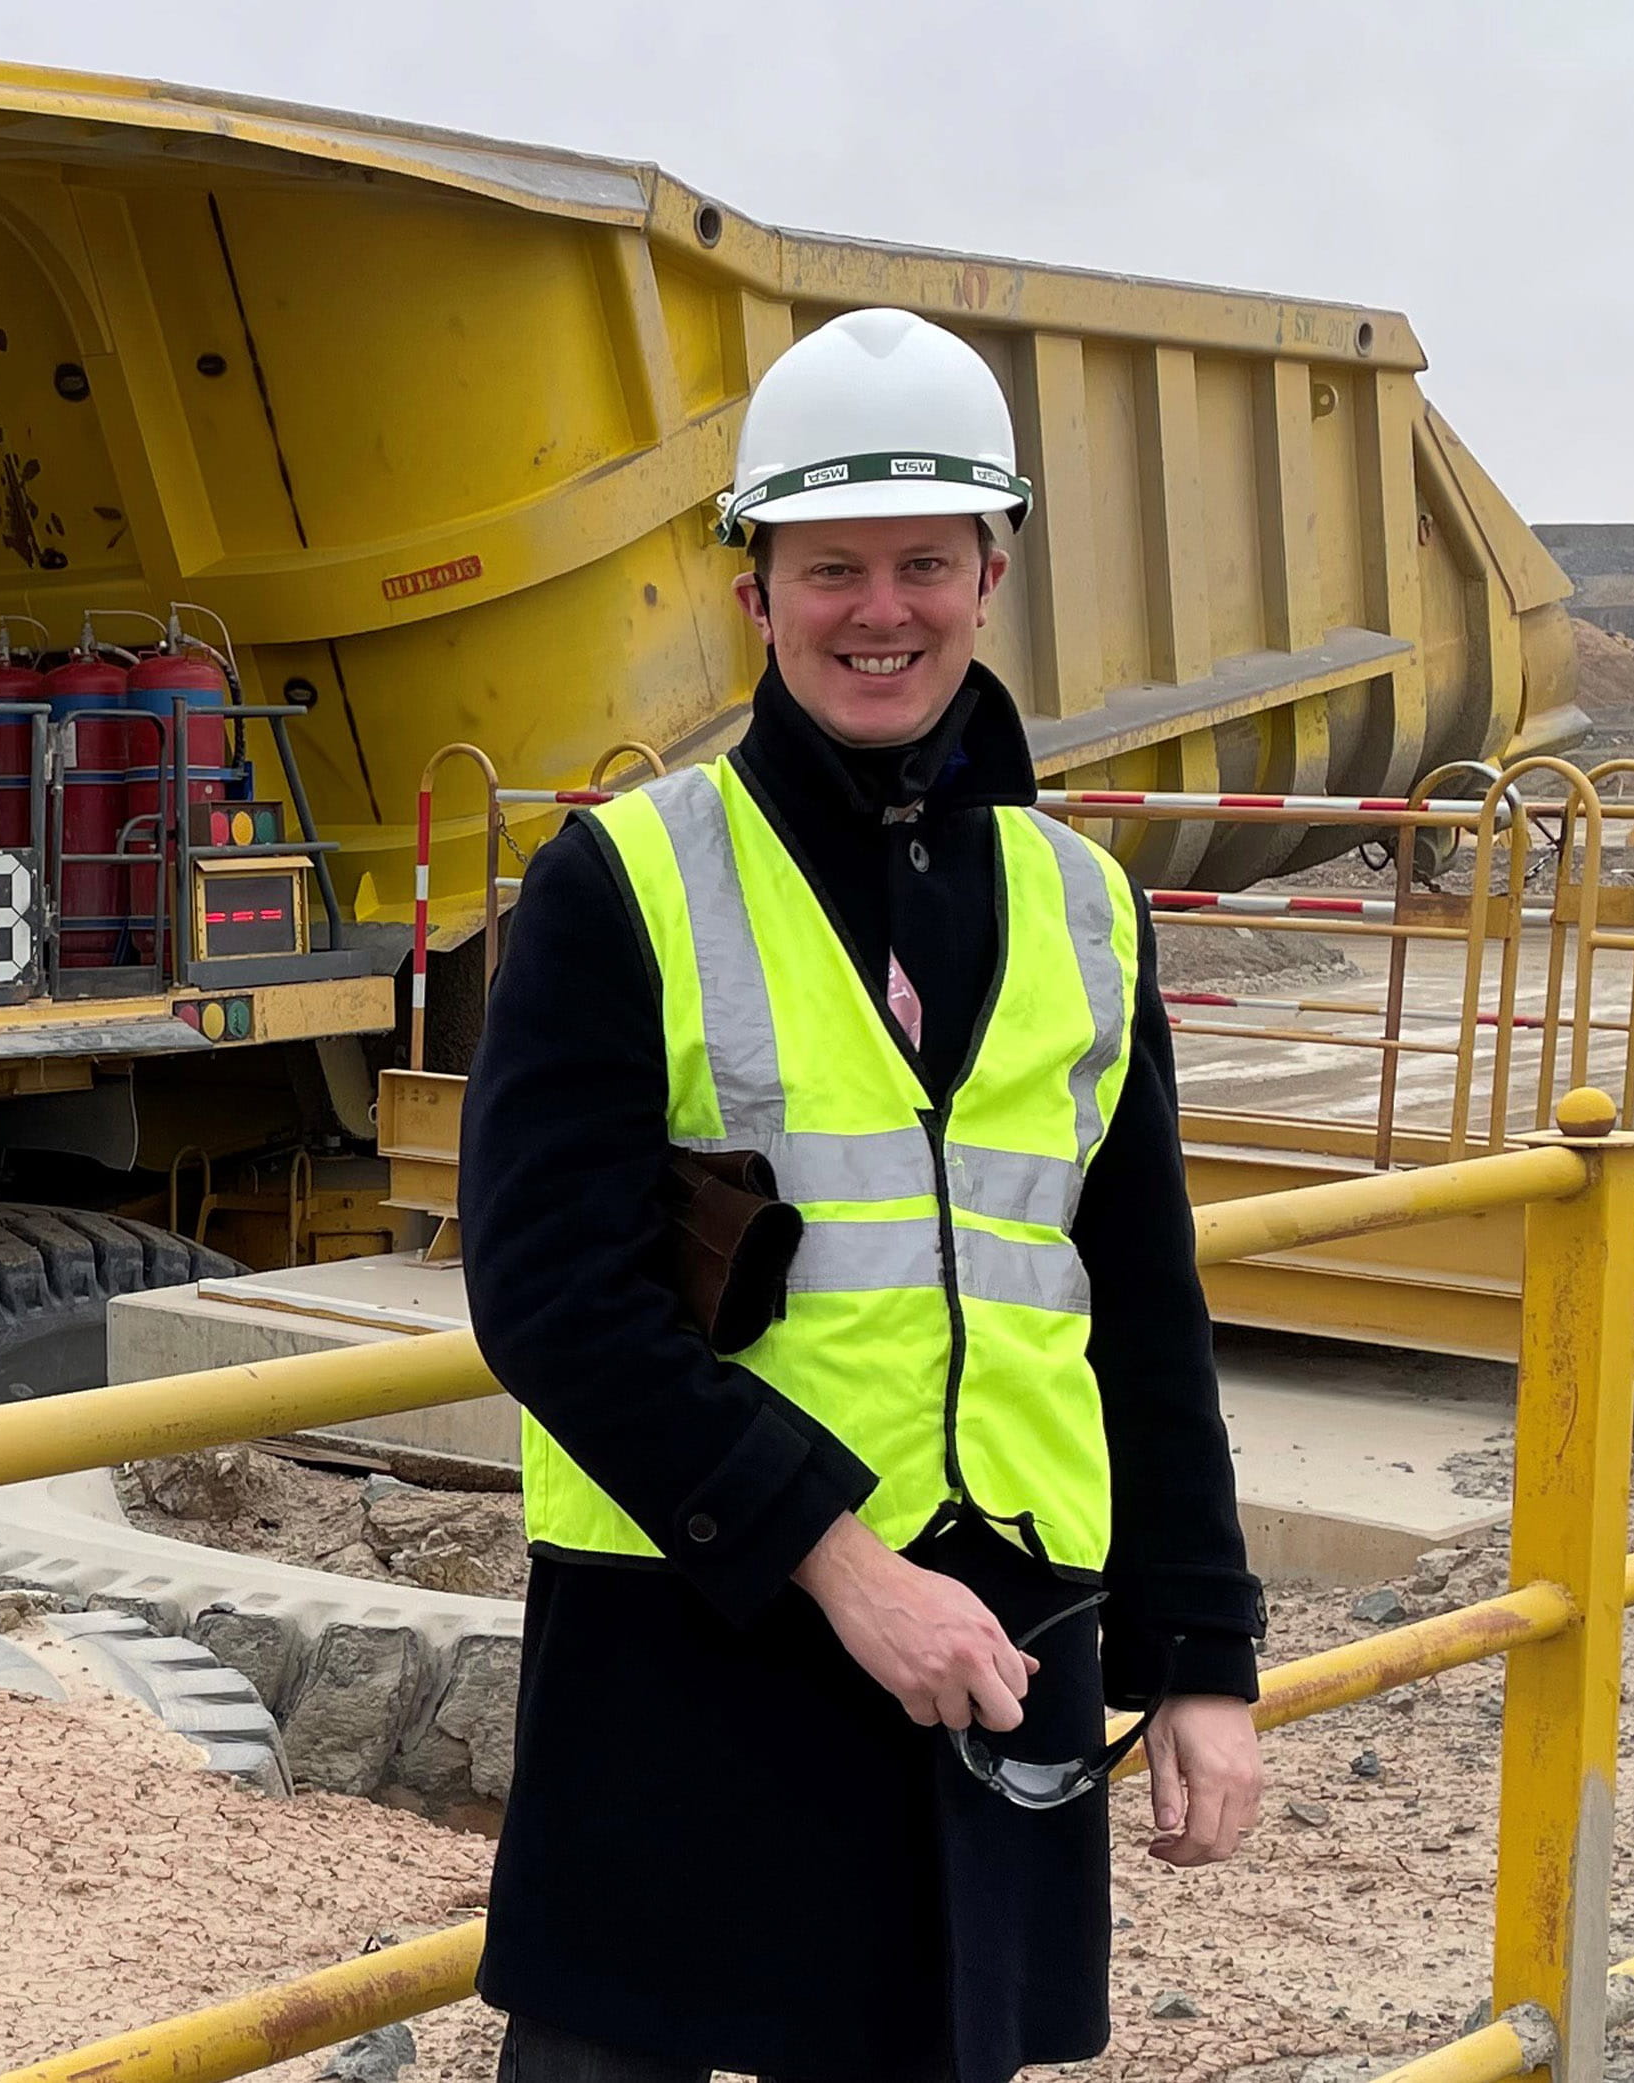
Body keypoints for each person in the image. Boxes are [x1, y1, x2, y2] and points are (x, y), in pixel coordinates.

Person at [457, 306, 1268, 2083]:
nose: (878, 611)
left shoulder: (1084, 905)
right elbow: (546, 1297)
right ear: (753, 590)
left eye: (923, 562)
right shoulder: (626, 879)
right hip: (697, 1624)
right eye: (830, 569)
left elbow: (1139, 1303)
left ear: (995, 572)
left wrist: (1201, 1653)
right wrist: (838, 1564)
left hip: (999, 1630)